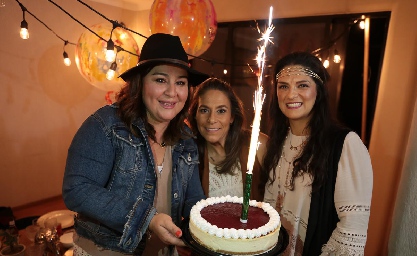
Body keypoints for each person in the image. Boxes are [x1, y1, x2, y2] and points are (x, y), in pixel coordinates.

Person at [62, 33, 209, 256]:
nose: (172, 92)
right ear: (140, 84)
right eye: (160, 80)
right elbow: (77, 190)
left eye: (180, 82)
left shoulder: (185, 138)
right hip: (107, 250)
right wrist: (146, 218)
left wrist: (209, 231)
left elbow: (193, 199)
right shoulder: (105, 125)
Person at [261, 52, 373, 255]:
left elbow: (351, 228)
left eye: (302, 85)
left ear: (318, 92)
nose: (291, 94)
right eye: (283, 86)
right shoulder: (277, 142)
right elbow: (271, 204)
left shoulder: (345, 144)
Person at [188, 78, 268, 200]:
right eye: (204, 110)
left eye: (221, 111)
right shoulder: (188, 155)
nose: (211, 119)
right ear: (195, 115)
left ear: (232, 117)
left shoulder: (257, 144)